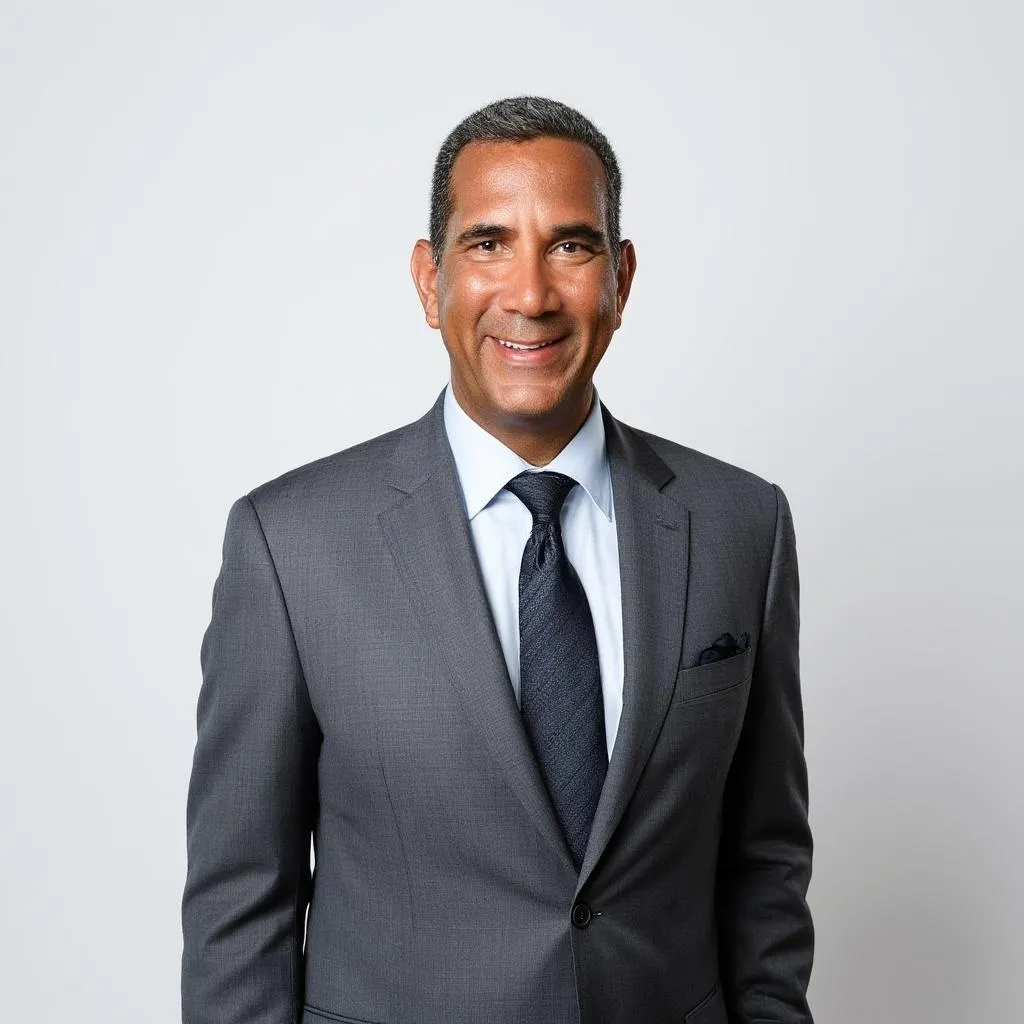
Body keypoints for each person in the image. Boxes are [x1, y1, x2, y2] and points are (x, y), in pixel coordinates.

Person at [181, 95, 814, 1024]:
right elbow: (241, 906)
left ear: (621, 279)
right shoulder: (289, 545)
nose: (530, 294)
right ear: (429, 280)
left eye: (571, 245)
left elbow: (765, 862)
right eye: (488, 243)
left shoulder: (741, 526)